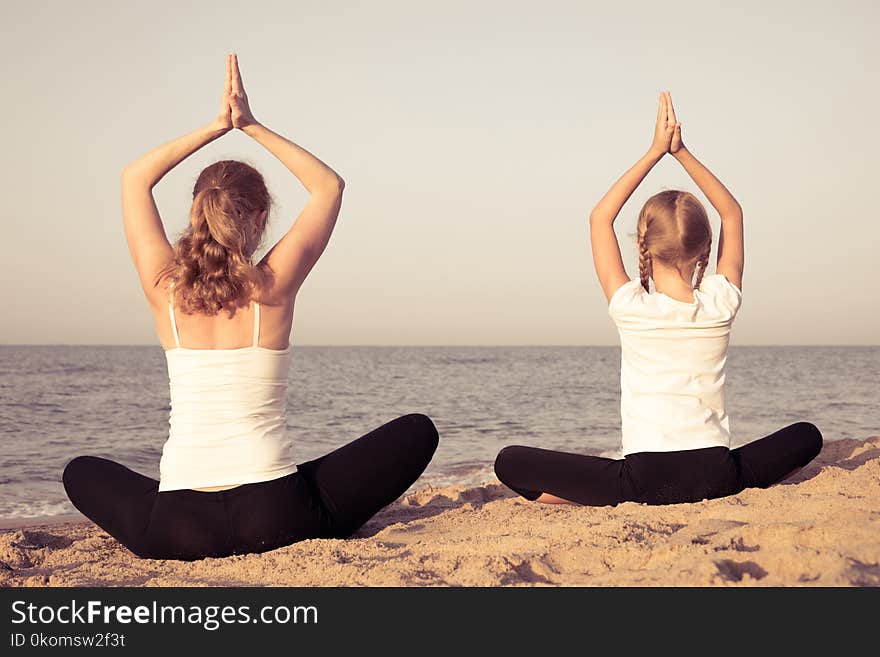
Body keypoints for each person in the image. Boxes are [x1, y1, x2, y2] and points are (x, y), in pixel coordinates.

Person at [62, 53, 438, 560]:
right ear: (260, 217)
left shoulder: (164, 289)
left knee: (79, 470)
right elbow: (329, 185)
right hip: (277, 516)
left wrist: (216, 127)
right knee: (417, 431)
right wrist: (250, 125)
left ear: (196, 213)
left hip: (176, 529)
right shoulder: (272, 288)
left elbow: (134, 179)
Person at [494, 92, 821, 506]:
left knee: (509, 462)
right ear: (705, 251)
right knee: (807, 436)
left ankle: (596, 496)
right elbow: (733, 213)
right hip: (716, 476)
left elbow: (599, 219)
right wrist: (681, 153)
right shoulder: (720, 304)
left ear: (643, 244)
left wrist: (654, 152)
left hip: (643, 481)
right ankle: (727, 483)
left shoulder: (630, 306)